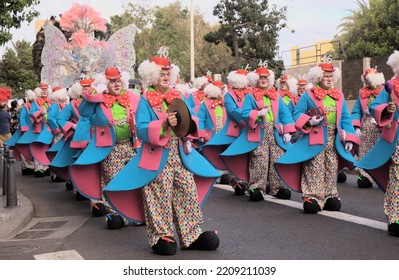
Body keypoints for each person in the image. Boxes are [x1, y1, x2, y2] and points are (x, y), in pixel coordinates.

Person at [103, 49, 220, 255]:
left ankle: (191, 234)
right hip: (157, 156)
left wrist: (189, 124)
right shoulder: (145, 100)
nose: (165, 78)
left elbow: (194, 121)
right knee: (159, 195)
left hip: (181, 154)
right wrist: (164, 124)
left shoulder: (180, 96)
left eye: (168, 74)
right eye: (161, 74)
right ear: (152, 76)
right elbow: (141, 128)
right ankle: (161, 236)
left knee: (187, 191)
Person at [275, 58, 359, 213]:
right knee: (314, 167)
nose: (329, 79)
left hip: (334, 138)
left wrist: (349, 137)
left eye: (330, 76)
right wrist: (310, 121)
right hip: (315, 136)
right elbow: (296, 113)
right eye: (326, 76)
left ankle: (329, 195)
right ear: (318, 77)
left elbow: (345, 118)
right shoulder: (308, 95)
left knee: (331, 166)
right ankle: (312, 196)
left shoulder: (338, 95)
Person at [69, 67, 140, 230]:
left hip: (130, 146)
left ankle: (134, 213)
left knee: (133, 179)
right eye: (112, 81)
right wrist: (92, 94)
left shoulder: (131, 98)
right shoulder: (98, 100)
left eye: (118, 81)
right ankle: (115, 214)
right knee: (113, 180)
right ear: (105, 84)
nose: (116, 84)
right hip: (109, 147)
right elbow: (84, 112)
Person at [221, 65, 296, 202]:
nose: (263, 80)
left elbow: (284, 114)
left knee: (277, 158)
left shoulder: (276, 96)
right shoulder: (250, 96)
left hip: (275, 132)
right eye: (260, 77)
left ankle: (277, 187)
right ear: (256, 79)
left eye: (265, 77)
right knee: (259, 160)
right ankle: (256, 187)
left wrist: (288, 131)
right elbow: (244, 113)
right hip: (258, 131)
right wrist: (256, 114)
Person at [356, 50, 399, 237]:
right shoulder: (391, 87)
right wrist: (386, 108)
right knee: (397, 179)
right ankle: (395, 218)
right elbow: (374, 107)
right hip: (396, 138)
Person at [351, 67, 385, 188]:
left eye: (368, 79)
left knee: (382, 152)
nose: (366, 82)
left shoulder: (385, 92)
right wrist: (356, 127)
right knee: (364, 151)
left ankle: (384, 175)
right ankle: (364, 175)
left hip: (382, 127)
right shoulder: (362, 93)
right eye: (365, 79)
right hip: (365, 128)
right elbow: (355, 112)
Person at [6, 89, 36, 175]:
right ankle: (25, 167)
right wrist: (24, 129)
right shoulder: (24, 108)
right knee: (24, 148)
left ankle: (31, 166)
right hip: (25, 131)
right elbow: (22, 118)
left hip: (32, 131)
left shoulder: (33, 106)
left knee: (30, 149)